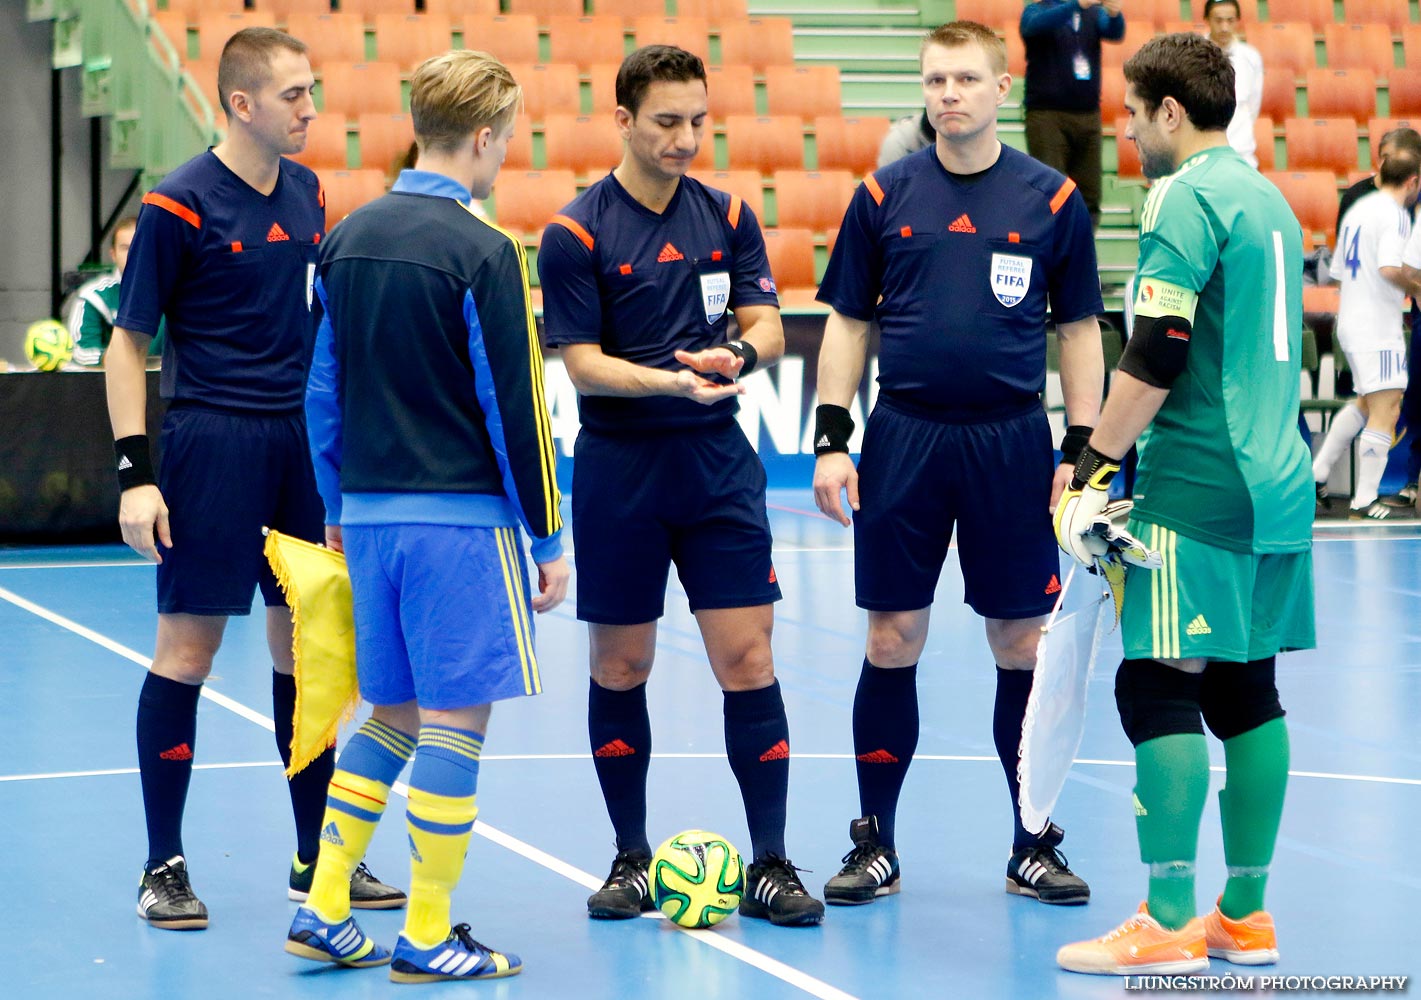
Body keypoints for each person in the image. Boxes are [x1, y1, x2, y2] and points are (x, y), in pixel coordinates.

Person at [106, 27, 402, 930]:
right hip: (210, 444)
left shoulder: (311, 192)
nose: (311, 110)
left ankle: (318, 858)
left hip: (298, 448)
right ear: (242, 105)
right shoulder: (177, 205)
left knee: (306, 657)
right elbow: (128, 343)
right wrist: (135, 473)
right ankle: (163, 864)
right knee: (186, 654)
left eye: (310, 92)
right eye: (294, 96)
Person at [284, 50, 568, 981]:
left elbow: (320, 392)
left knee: (391, 712)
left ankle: (326, 907)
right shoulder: (485, 251)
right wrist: (549, 534)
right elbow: (516, 406)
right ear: (484, 137)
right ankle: (426, 932)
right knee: (454, 723)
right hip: (459, 526)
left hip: (367, 518)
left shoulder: (347, 237)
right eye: (509, 137)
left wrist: (334, 506)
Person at [812, 21, 1104, 909]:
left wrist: (1082, 452)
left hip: (1010, 442)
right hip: (902, 437)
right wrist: (830, 437)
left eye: (966, 79)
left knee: (1019, 644)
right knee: (890, 638)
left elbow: (1079, 331)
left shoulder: (1051, 200)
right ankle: (874, 843)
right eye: (935, 79)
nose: (948, 94)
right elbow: (849, 323)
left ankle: (1031, 840)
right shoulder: (880, 193)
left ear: (1002, 88)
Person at [536, 44, 825, 928]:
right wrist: (669, 379)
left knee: (749, 659)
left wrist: (735, 354)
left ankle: (769, 862)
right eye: (666, 122)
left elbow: (768, 324)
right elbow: (580, 363)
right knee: (621, 665)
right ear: (622, 120)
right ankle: (629, 856)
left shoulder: (728, 214)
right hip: (623, 469)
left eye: (697, 120)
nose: (685, 138)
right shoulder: (575, 232)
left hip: (716, 469)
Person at [1053, 32, 1314, 975]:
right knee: (1246, 689)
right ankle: (1242, 915)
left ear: (1169, 111)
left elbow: (1158, 347)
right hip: (1279, 479)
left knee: (1157, 682)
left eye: (1131, 113)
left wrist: (1092, 461)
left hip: (1200, 476)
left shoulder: (1184, 196)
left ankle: (1165, 919)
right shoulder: (1269, 197)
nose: (1124, 131)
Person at [1310, 149, 1421, 519]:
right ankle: (1364, 499)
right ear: (1413, 181)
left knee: (1366, 404)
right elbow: (1391, 268)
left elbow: (1338, 271)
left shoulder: (1359, 210)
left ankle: (1317, 474)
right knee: (1387, 409)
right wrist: (1416, 286)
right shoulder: (1396, 216)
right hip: (1376, 326)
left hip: (1352, 320)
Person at [1020, 0, 1125, 226]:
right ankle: (1051, 252)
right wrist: (1076, 5)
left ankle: (1082, 253)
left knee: (1090, 195)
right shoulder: (1037, 8)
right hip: (1047, 114)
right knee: (1050, 192)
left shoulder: (1093, 13)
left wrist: (1115, 13)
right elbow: (1032, 26)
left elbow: (1115, 32)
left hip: (1088, 114)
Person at [68, 217, 165, 367]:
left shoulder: (179, 293)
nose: (134, 254)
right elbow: (81, 351)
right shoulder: (93, 296)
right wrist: (121, 361)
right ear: (113, 254)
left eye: (141, 246)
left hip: (168, 384)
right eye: (126, 248)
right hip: (108, 385)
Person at [1204, 0, 1263, 169]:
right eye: (1218, 20)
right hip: (1202, 153)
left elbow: (1253, 108)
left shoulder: (1251, 57)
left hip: (1242, 154)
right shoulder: (1192, 54)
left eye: (1230, 21)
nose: (1224, 27)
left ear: (1237, 21)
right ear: (1207, 19)